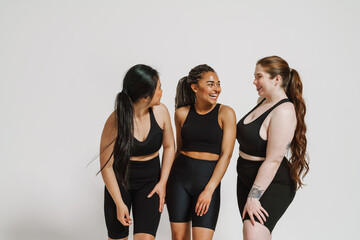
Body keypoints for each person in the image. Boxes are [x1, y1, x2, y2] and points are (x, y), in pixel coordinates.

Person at [236, 56, 309, 239]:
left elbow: (274, 160)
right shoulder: (263, 100)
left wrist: (254, 197)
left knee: (252, 233)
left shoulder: (284, 111)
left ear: (276, 79)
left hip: (272, 182)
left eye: (259, 76)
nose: (254, 81)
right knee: (255, 234)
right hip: (246, 177)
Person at [99, 64, 175, 240]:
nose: (162, 91)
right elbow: (106, 166)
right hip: (120, 185)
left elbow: (170, 147)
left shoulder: (161, 112)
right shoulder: (116, 119)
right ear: (144, 97)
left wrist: (163, 183)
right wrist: (119, 202)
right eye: (159, 88)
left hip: (150, 185)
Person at [166, 64, 236, 240]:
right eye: (211, 84)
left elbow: (226, 155)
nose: (216, 89)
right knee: (179, 238)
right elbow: (179, 149)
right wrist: (165, 182)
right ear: (195, 88)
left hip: (207, 182)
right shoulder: (181, 114)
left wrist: (209, 189)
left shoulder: (226, 113)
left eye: (218, 84)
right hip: (178, 181)